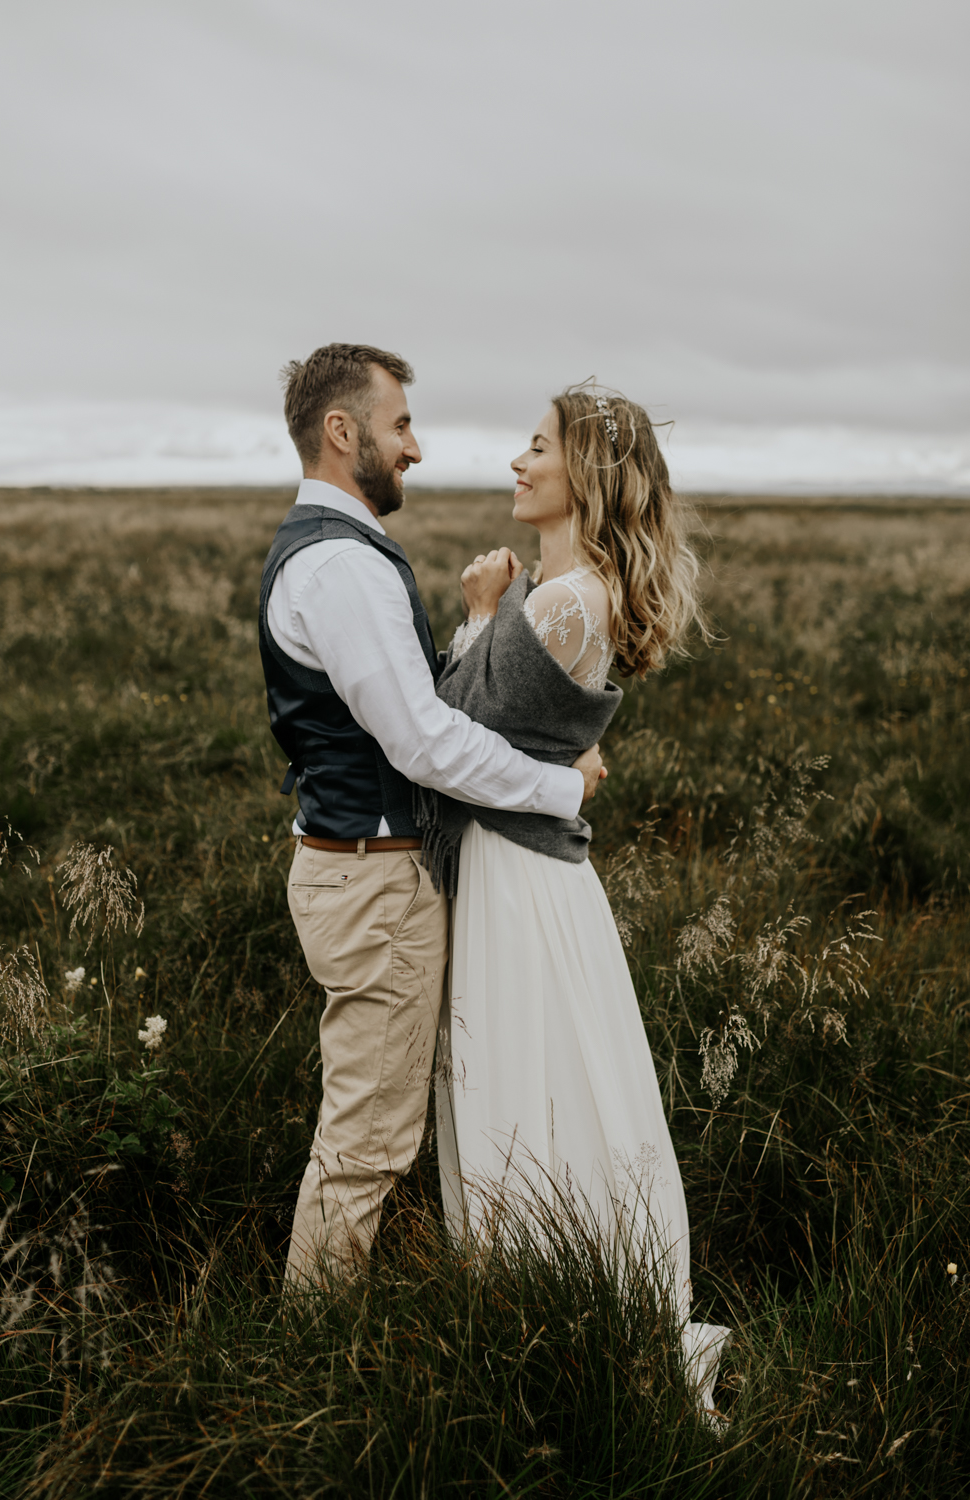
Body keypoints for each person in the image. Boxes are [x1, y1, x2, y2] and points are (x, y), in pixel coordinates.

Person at [258, 344, 604, 1288]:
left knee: (371, 1130)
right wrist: (558, 786)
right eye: (399, 422)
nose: (414, 446)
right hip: (372, 880)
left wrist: (474, 626)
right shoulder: (342, 567)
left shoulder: (334, 553)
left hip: (360, 866)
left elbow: (409, 709)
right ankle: (308, 1364)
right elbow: (422, 743)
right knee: (366, 1145)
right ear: (343, 431)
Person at [424, 385, 730, 1411]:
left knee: (524, 1069)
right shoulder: (567, 591)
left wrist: (475, 615)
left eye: (537, 445)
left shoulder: (561, 601)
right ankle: (550, 1296)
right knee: (547, 1068)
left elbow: (452, 736)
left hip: (517, 874)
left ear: (584, 473)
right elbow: (511, 729)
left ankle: (550, 1305)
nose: (516, 461)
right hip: (530, 864)